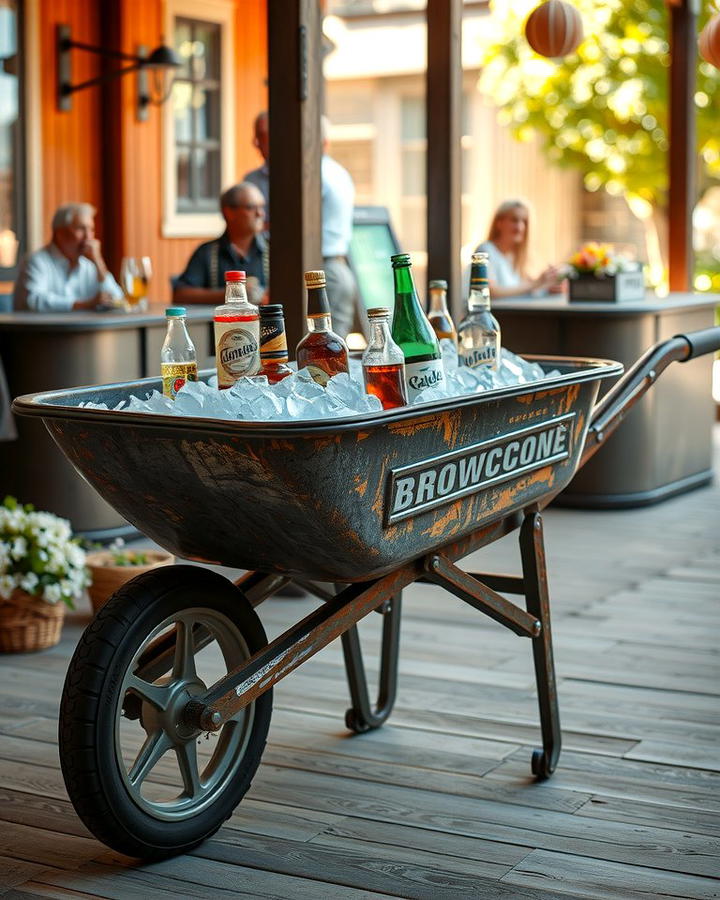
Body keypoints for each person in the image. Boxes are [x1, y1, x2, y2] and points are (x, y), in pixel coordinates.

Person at [242, 112, 357, 337]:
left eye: (265, 136)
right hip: (322, 269)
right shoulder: (332, 171)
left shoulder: (312, 174)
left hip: (319, 270)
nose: (257, 144)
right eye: (258, 137)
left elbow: (289, 229)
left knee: (319, 351)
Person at [13, 203, 123, 311]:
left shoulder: (89, 265)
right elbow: (32, 300)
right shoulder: (36, 261)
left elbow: (118, 300)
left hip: (81, 329)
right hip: (40, 329)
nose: (88, 237)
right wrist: (83, 305)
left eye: (91, 229)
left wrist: (99, 262)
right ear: (60, 233)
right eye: (81, 228)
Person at [173, 182, 268, 306]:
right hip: (222, 325)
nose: (260, 214)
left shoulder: (274, 251)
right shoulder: (207, 253)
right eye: (251, 207)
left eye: (262, 207)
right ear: (229, 212)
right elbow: (181, 294)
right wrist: (232, 294)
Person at [475, 200, 563, 299]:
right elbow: (489, 292)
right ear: (499, 223)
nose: (520, 227)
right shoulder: (485, 250)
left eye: (524, 222)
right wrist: (536, 283)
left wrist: (548, 286)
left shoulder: (516, 256)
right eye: (514, 220)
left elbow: (521, 291)